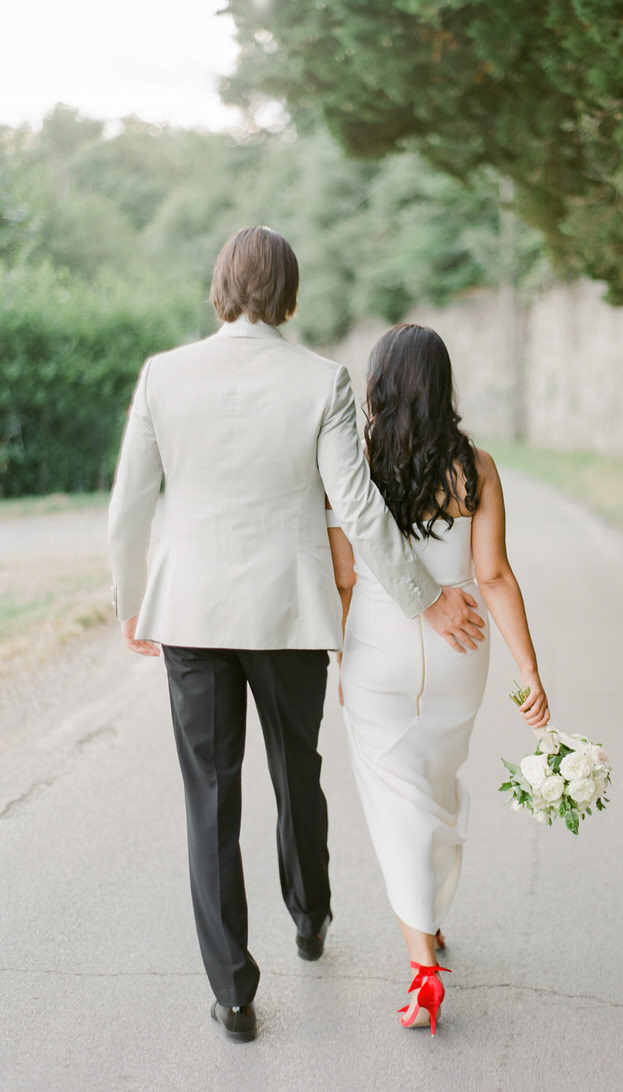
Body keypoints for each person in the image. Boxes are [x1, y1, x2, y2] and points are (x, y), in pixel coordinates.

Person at [107, 228, 485, 1043]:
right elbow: (357, 507)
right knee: (295, 769)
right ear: (290, 294)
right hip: (288, 614)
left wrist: (131, 599)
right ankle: (310, 918)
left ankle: (235, 994)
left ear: (220, 286)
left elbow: (129, 505)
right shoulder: (322, 380)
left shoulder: (163, 376)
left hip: (193, 617)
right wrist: (426, 598)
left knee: (210, 799)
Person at [326, 323, 549, 1036]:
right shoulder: (475, 467)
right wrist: (527, 669)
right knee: (438, 788)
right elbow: (493, 574)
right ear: (442, 385)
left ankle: (422, 961)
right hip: (463, 647)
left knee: (398, 799)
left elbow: (343, 575)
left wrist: (340, 657)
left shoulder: (353, 465)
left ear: (379, 386)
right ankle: (428, 920)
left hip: (379, 648)